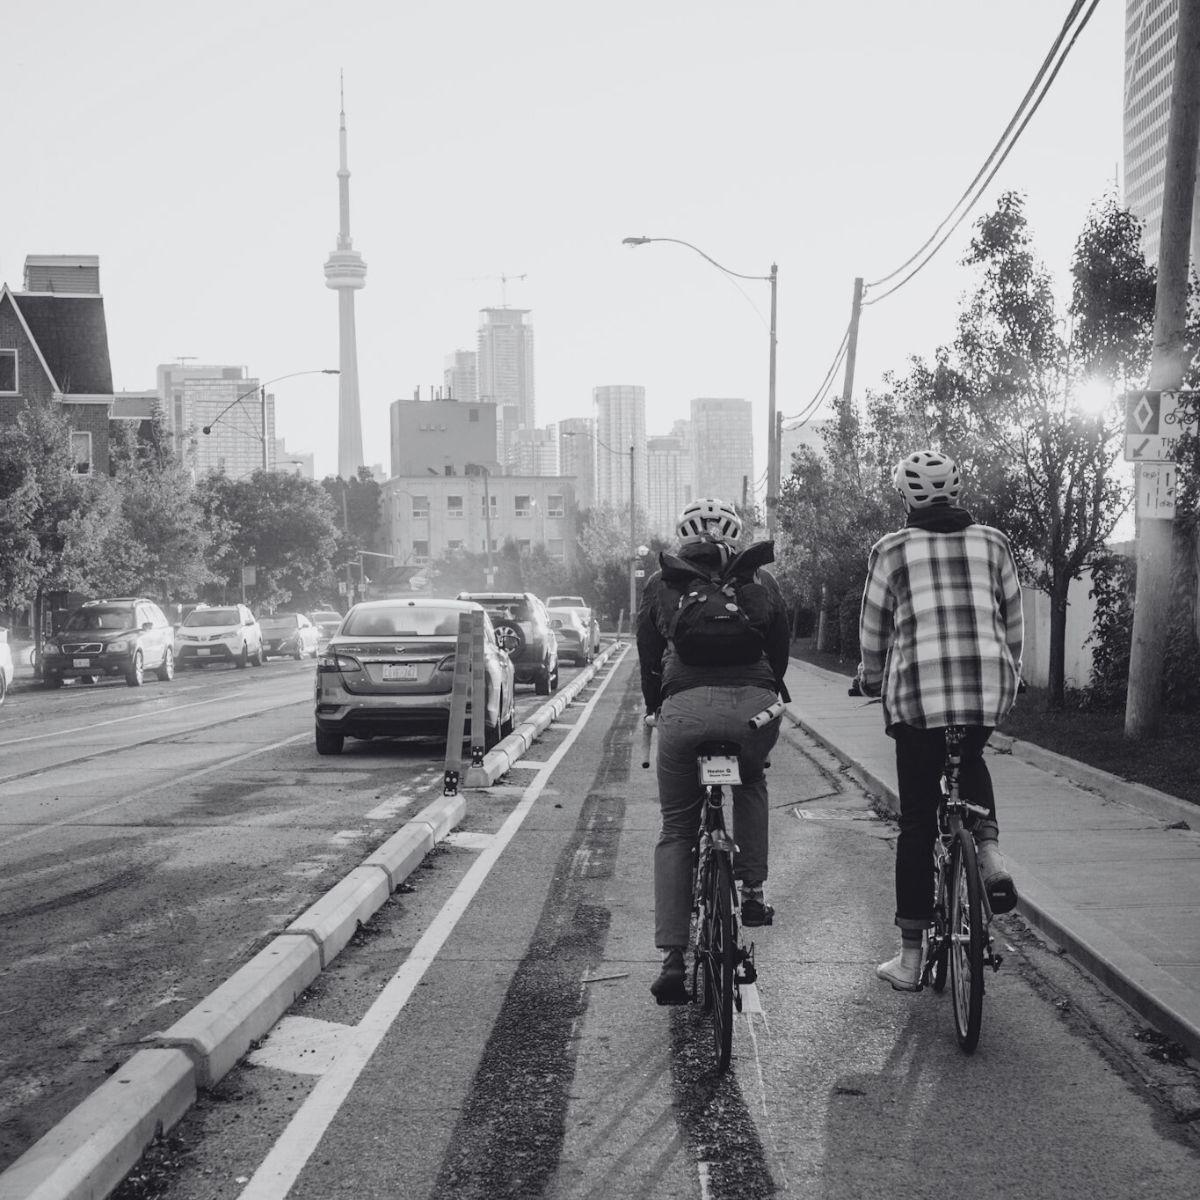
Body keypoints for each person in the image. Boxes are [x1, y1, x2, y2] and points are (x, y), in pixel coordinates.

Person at [855, 449, 1024, 991]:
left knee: (917, 821)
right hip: (986, 688)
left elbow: (873, 633)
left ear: (906, 498)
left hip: (919, 698)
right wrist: (1010, 675)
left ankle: (909, 959)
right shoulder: (994, 542)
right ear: (957, 492)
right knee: (969, 756)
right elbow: (1012, 620)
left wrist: (870, 678)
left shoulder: (891, 549)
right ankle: (990, 852)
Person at [637, 497, 792, 1005]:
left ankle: (673, 961)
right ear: (734, 536)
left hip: (683, 714)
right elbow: (781, 646)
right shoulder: (760, 580)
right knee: (751, 781)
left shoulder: (663, 582)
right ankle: (751, 893)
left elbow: (647, 657)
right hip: (753, 710)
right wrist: (770, 689)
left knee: (678, 830)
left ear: (684, 539)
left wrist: (655, 704)